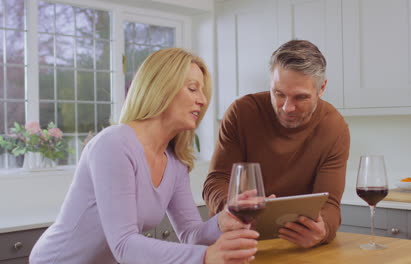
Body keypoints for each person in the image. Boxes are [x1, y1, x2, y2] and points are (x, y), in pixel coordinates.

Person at [30, 48, 259, 264]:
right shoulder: (114, 143)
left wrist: (222, 220)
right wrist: (206, 257)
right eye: (192, 88)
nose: (203, 100)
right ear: (161, 88)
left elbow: (191, 234)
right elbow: (124, 244)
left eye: (202, 91)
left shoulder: (175, 162)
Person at [203, 40, 350, 248]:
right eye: (279, 94)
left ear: (322, 88)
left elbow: (331, 205)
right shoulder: (242, 113)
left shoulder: (334, 128)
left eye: (300, 97)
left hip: (292, 248)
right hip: (233, 241)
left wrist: (323, 230)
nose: (287, 107)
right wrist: (236, 209)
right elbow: (215, 182)